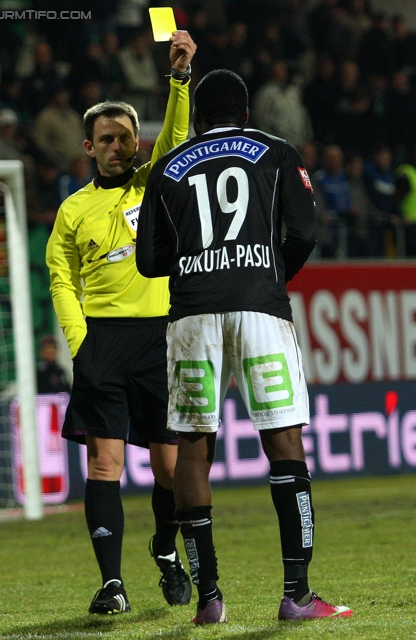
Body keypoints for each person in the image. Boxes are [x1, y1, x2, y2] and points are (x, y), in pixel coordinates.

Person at [136, 69, 353, 625]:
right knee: (283, 440)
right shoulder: (277, 152)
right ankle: (296, 596)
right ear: (247, 114)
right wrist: (269, 274)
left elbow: (149, 261)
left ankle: (209, 600)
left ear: (200, 118)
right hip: (260, 305)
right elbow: (304, 232)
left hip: (192, 315)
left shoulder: (166, 169)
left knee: (193, 448)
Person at [46, 30, 197, 616]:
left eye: (126, 137)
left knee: (167, 466)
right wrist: (79, 341)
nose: (118, 146)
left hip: (160, 336)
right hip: (102, 341)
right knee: (104, 463)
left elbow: (179, 135)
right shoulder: (72, 209)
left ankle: (164, 548)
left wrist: (179, 79)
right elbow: (61, 278)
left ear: (138, 142)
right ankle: (111, 583)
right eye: (107, 139)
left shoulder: (154, 182)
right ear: (89, 145)